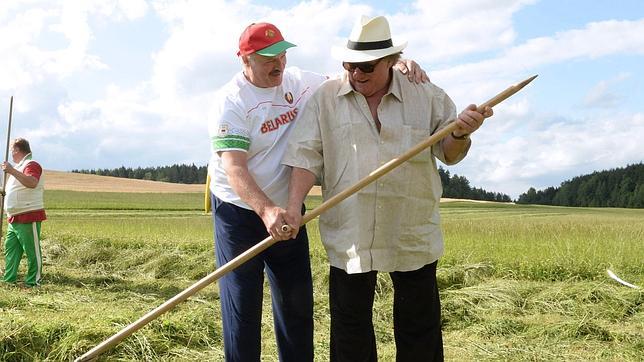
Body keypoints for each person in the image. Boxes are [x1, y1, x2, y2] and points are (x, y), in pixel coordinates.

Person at [208, 21, 429, 361]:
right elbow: (234, 168)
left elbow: (355, 76)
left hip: (289, 210)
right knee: (242, 305)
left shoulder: (300, 82)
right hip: (240, 212)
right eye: (266, 57)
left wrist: (396, 64)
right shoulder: (231, 102)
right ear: (245, 60)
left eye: (281, 53)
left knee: (296, 305)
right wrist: (265, 211)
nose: (277, 63)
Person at [282, 15, 493, 361]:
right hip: (351, 229)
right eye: (350, 66)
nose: (356, 75)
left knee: (419, 328)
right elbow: (306, 156)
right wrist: (294, 205)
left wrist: (460, 133)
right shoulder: (326, 98)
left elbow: (450, 154)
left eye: (366, 67)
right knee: (350, 331)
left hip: (410, 228)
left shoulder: (425, 94)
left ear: (392, 62)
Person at [2, 138, 46, 287]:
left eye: (11, 151)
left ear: (17, 150)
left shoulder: (31, 164)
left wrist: (11, 171)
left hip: (28, 214)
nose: (10, 155)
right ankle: (9, 279)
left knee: (32, 250)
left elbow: (32, 182)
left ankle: (34, 281)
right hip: (14, 217)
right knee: (11, 249)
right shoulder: (19, 167)